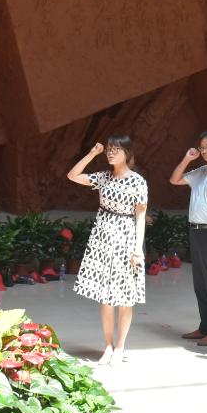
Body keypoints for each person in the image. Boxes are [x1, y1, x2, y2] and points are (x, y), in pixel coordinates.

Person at [68, 136, 148, 366]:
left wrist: (137, 249)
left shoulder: (138, 182)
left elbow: (140, 215)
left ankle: (120, 346)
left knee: (125, 296)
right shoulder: (104, 177)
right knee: (105, 297)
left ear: (127, 153)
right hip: (102, 238)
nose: (111, 153)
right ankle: (108, 345)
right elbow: (73, 175)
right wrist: (92, 153)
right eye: (109, 150)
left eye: (116, 149)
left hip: (125, 237)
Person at [170, 131, 207, 346]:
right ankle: (205, 327)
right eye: (201, 147)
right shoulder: (200, 172)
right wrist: (187, 158)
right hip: (196, 231)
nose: (203, 151)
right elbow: (174, 179)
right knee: (201, 283)